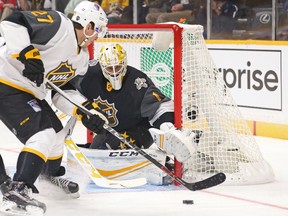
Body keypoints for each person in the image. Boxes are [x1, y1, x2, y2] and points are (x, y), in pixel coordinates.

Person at [0, 1, 108, 214]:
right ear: (88, 26)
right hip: (6, 80)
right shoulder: (59, 25)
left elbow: (62, 92)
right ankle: (18, 189)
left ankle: (49, 175)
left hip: (28, 90)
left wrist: (86, 111)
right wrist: (27, 52)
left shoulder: (82, 59)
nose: (98, 36)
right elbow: (12, 22)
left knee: (58, 135)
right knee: (44, 134)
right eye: (98, 30)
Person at [74, 43, 196, 170]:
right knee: (97, 153)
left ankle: (160, 162)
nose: (115, 72)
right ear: (102, 66)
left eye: (118, 66)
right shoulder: (90, 75)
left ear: (125, 62)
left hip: (139, 130)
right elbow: (68, 90)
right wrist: (83, 113)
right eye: (110, 68)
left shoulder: (138, 81)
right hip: (110, 131)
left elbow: (162, 106)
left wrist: (167, 127)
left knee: (112, 148)